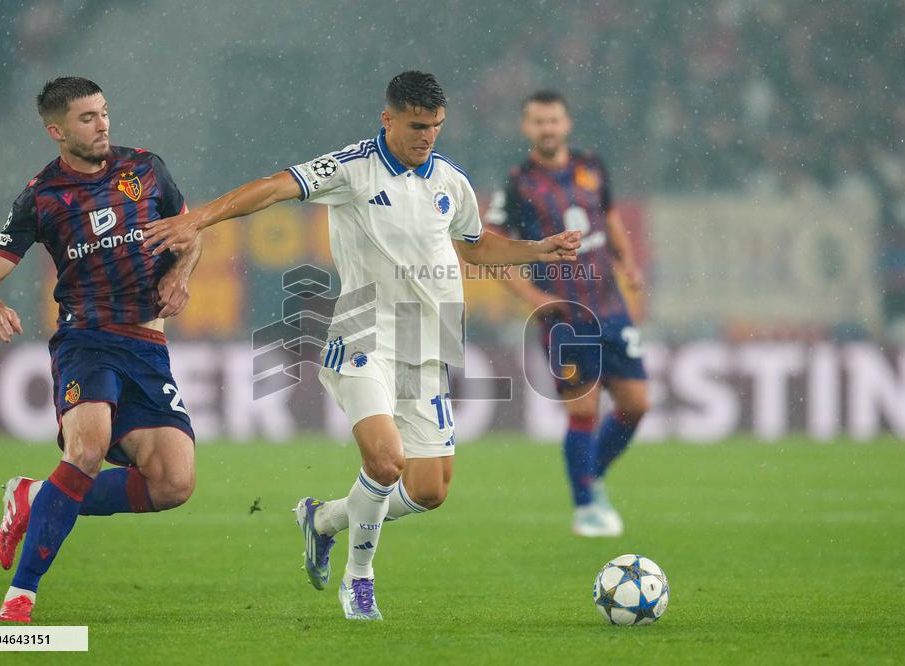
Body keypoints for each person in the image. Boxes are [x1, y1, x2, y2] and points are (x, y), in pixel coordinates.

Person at [142, 71, 580, 620]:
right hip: (364, 332)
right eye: (417, 126)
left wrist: (537, 249)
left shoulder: (450, 180)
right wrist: (200, 219)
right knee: (386, 460)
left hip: (429, 341)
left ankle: (323, 519)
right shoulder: (352, 168)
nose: (427, 136)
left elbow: (474, 246)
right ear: (388, 119)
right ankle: (360, 579)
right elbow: (275, 187)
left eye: (436, 126)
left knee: (430, 490)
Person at [0, 77, 201, 623]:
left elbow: (192, 230)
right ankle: (20, 597)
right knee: (87, 450)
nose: (103, 125)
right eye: (87, 118)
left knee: (173, 483)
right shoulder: (42, 196)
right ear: (57, 131)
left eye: (104, 112)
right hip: (87, 341)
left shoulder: (145, 168)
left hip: (147, 346)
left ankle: (33, 496)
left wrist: (180, 275)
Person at [486, 90, 649, 537]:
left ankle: (588, 476)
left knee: (637, 404)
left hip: (610, 307)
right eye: (539, 121)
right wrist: (531, 297)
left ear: (567, 123)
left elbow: (609, 219)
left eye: (553, 120)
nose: (547, 128)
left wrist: (628, 263)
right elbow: (490, 248)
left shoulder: (592, 167)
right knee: (583, 412)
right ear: (526, 127)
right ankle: (586, 508)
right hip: (565, 315)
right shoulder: (518, 183)